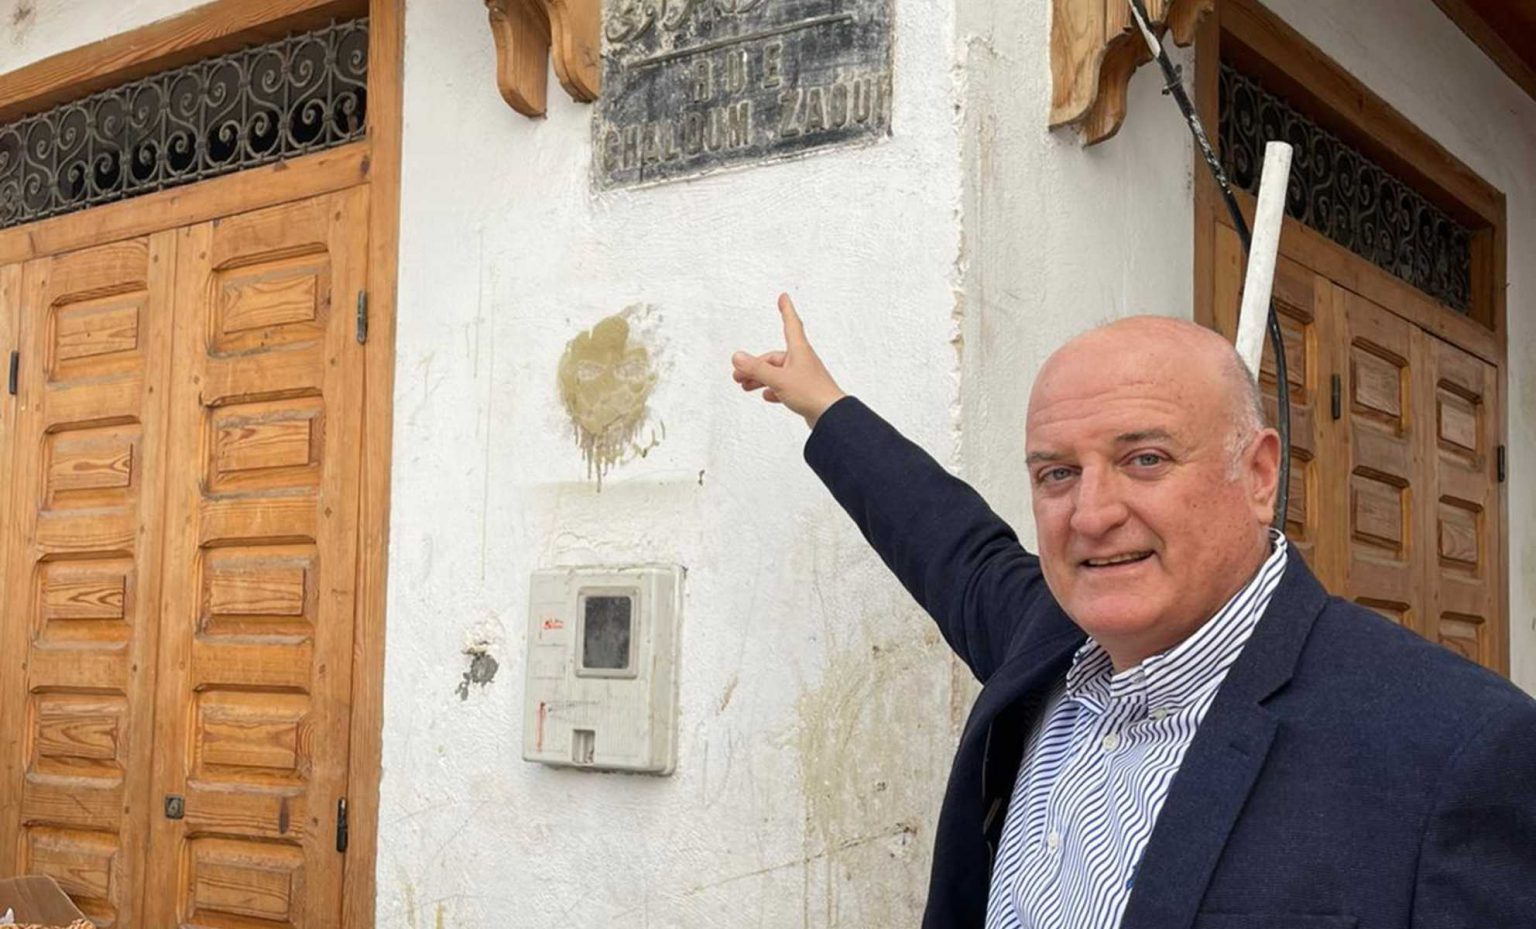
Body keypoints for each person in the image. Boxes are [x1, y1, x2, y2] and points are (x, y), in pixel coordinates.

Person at [730, 295, 1536, 929]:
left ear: (1259, 475)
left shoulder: (1452, 748)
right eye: (1056, 473)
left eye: (1144, 459)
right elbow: (945, 539)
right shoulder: (1045, 645)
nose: (1091, 514)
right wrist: (822, 404)